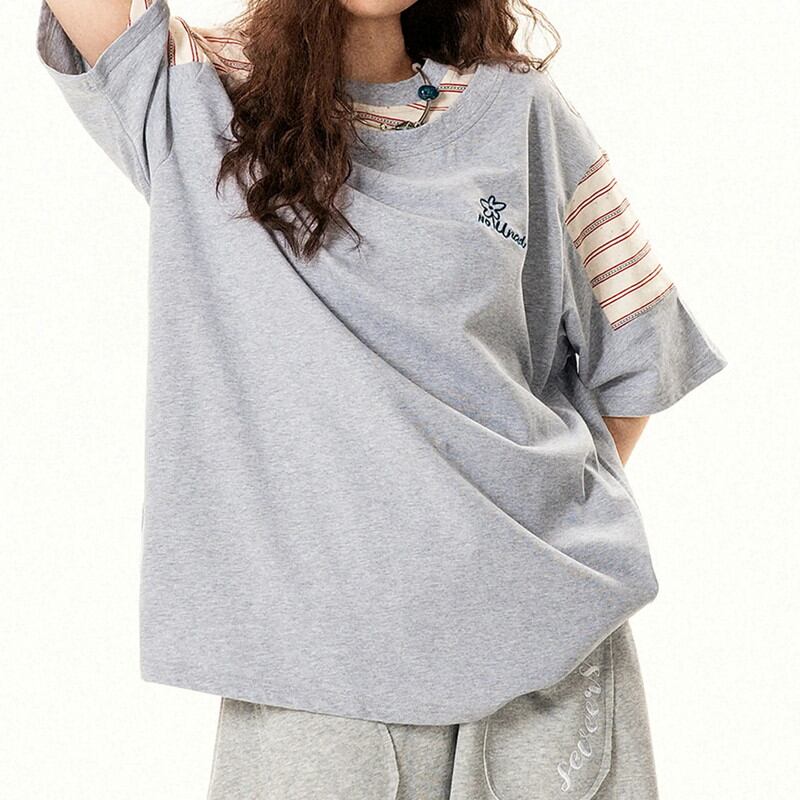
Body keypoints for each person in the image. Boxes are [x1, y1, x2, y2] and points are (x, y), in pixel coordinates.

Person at [35, 0, 729, 797]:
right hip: (315, 678)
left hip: (548, 662)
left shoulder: (522, 110)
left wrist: (515, 524)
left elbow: (636, 353)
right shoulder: (198, 96)